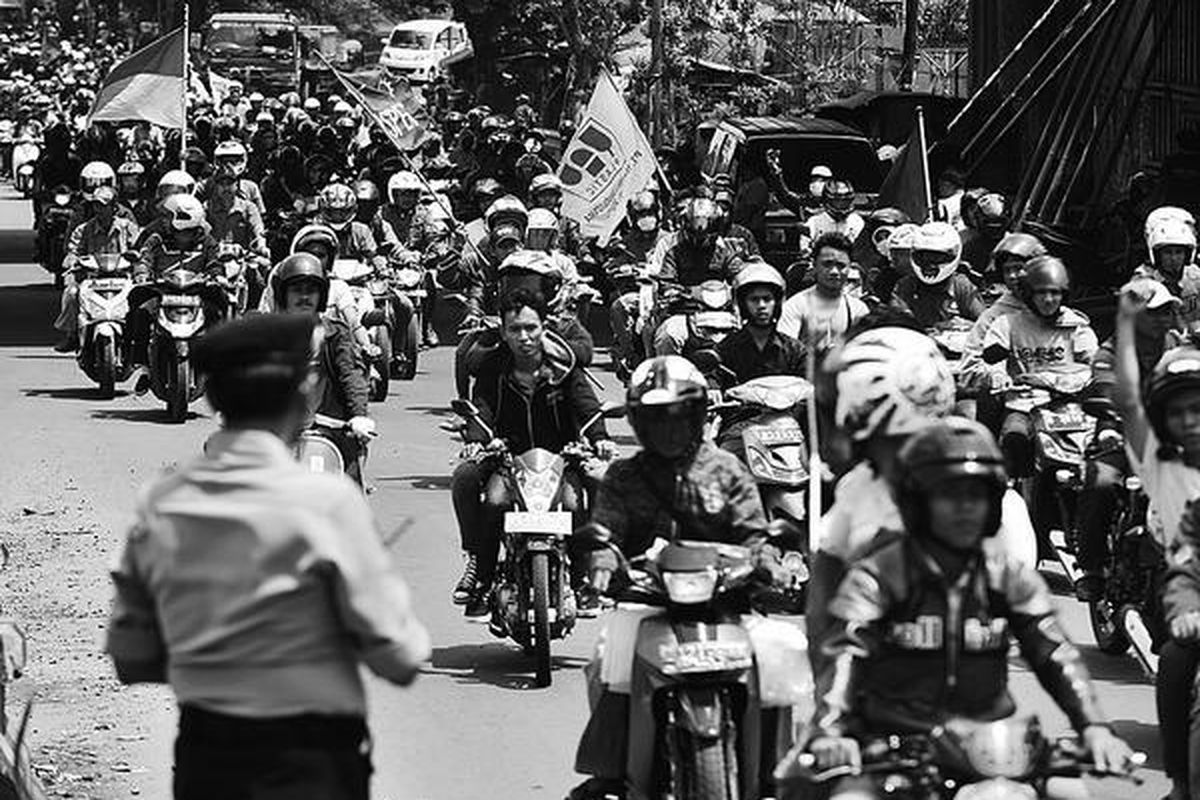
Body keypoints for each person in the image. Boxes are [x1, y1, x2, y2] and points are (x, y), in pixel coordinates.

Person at [104, 313, 430, 800]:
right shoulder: (328, 502)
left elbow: (130, 657)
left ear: (212, 398)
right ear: (304, 397)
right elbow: (400, 656)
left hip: (207, 759)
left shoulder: (164, 503)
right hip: (315, 761)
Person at [806, 418, 1135, 788]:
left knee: (1070, 792)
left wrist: (1094, 727)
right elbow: (846, 651)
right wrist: (830, 729)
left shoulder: (1007, 576)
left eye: (975, 495)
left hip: (991, 742)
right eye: (949, 495)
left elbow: (1054, 653)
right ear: (918, 501)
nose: (965, 508)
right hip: (894, 744)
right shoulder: (878, 575)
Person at [566, 355, 771, 800]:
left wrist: (771, 560)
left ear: (697, 416)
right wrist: (602, 559)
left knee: (783, 656)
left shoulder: (728, 469)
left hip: (726, 600)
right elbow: (605, 530)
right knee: (606, 660)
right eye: (656, 420)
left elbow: (756, 532)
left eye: (679, 417)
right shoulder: (623, 476)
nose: (669, 429)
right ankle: (613, 771)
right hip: (646, 601)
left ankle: (775, 771)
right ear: (639, 423)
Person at [450, 289, 616, 617]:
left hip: (561, 457)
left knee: (579, 498)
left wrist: (599, 439)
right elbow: (482, 408)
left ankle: (585, 577)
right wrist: (477, 439)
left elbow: (586, 406)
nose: (524, 337)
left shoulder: (565, 367)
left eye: (531, 328)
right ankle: (480, 572)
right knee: (473, 484)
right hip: (509, 458)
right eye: (515, 330)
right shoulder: (493, 367)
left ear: (544, 327)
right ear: (504, 332)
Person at [969, 255, 1098, 479]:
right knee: (1014, 437)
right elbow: (992, 359)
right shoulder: (1007, 324)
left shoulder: (1075, 325)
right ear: (1029, 294)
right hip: (1024, 405)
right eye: (1041, 293)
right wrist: (998, 375)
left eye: (1055, 293)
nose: (1049, 299)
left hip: (1070, 405)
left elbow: (1093, 360)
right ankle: (1017, 491)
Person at [274, 253, 376, 485]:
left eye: (311, 290)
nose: (304, 296)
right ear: (283, 294)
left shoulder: (336, 335)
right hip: (277, 433)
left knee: (351, 489)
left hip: (329, 432)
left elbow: (352, 376)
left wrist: (359, 416)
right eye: (296, 290)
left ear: (321, 295)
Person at [651, 197, 749, 356]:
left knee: (750, 338)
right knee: (667, 337)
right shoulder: (675, 252)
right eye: (695, 234)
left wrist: (748, 281)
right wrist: (677, 292)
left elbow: (739, 274)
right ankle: (666, 376)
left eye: (705, 235)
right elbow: (666, 281)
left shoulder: (724, 252)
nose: (700, 239)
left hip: (722, 313)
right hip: (685, 312)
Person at [53, 185, 141, 352]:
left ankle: (139, 339)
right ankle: (72, 335)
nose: (99, 209)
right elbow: (73, 250)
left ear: (114, 207)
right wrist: (72, 259)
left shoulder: (127, 228)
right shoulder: (83, 229)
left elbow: (140, 249)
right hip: (92, 279)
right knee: (71, 293)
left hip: (122, 279)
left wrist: (137, 260)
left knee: (142, 297)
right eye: (96, 205)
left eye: (103, 205)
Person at [605, 191, 669, 379]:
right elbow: (612, 266)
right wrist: (620, 269)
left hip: (666, 292)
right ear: (633, 218)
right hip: (639, 293)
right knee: (620, 305)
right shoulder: (625, 243)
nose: (646, 218)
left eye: (650, 213)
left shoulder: (670, 239)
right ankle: (630, 354)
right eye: (641, 215)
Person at [777, 232, 869, 352]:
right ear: (814, 266)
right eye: (827, 264)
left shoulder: (858, 309)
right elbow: (786, 353)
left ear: (849, 268)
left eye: (841, 266)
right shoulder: (795, 306)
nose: (834, 271)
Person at [890, 221, 984, 329]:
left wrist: (965, 325)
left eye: (937, 257)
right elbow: (895, 324)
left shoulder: (961, 286)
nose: (930, 264)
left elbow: (985, 325)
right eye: (924, 257)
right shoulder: (904, 286)